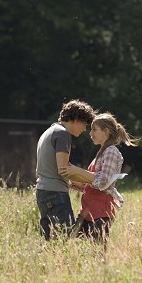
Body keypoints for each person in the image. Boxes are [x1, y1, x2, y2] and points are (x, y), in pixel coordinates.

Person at [59, 112, 140, 243]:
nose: (90, 133)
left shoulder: (111, 152)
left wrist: (77, 170)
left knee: (98, 252)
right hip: (87, 211)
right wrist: (70, 181)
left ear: (106, 131)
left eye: (94, 129)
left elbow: (103, 182)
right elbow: (91, 183)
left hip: (100, 213)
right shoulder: (102, 152)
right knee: (71, 244)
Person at [35, 99, 95, 240]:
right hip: (55, 194)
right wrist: (92, 179)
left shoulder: (49, 131)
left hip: (43, 192)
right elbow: (63, 169)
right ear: (75, 119)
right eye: (84, 124)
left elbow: (52, 169)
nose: (84, 129)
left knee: (51, 240)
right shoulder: (63, 134)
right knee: (67, 237)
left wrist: (74, 183)